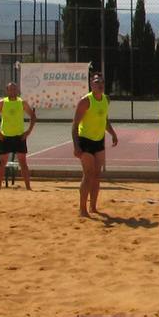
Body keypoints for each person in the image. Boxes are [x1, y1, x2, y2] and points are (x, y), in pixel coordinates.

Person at [71, 73, 118, 217]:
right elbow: (74, 125)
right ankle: (82, 208)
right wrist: (76, 146)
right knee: (88, 174)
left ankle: (93, 207)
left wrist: (113, 133)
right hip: (85, 141)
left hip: (99, 141)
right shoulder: (85, 101)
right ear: (91, 85)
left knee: (97, 175)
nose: (100, 84)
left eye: (102, 82)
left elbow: (105, 119)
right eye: (97, 82)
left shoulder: (106, 99)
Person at [0, 81, 37, 190]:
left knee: (23, 163)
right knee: (2, 163)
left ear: (17, 90)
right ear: (7, 91)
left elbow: (33, 117)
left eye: (14, 89)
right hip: (6, 137)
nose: (12, 91)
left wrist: (28, 131)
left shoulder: (22, 102)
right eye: (10, 89)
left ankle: (28, 187)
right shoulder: (2, 102)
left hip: (19, 137)